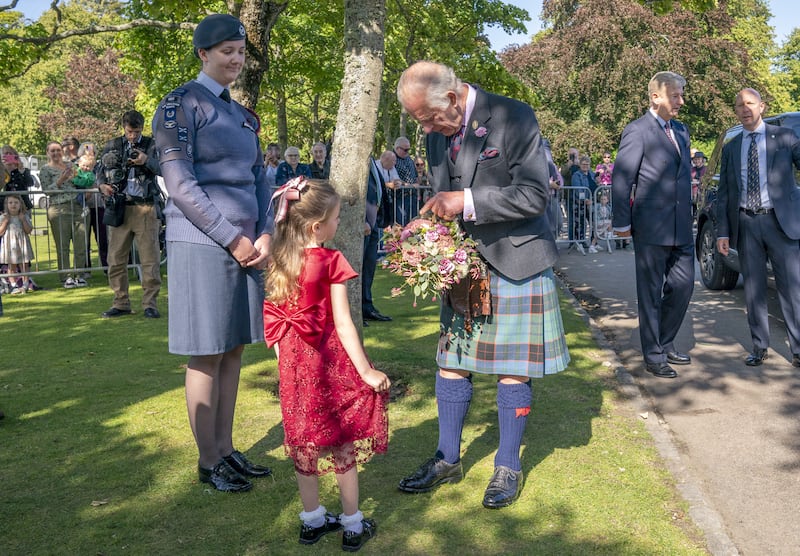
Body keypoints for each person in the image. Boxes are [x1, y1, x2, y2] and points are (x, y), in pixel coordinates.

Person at [395, 60, 570, 509]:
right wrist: (429, 235)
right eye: (420, 121)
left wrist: (466, 200)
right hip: (464, 267)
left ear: (452, 98)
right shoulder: (436, 134)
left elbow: (534, 194)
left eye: (430, 117)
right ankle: (446, 459)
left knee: (514, 367)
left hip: (516, 259)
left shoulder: (514, 116)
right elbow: (442, 196)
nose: (428, 128)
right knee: (450, 363)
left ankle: (507, 464)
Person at [153, 13, 274, 492]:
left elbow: (260, 180)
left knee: (233, 350)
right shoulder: (180, 104)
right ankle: (208, 462)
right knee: (206, 353)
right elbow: (180, 184)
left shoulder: (243, 114)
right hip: (204, 242)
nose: (237, 60)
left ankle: (226, 449)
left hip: (248, 246)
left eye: (241, 52)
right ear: (203, 53)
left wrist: (264, 235)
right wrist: (233, 236)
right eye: (227, 52)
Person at [263, 177, 389, 550]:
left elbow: (274, 325)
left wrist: (287, 364)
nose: (338, 224)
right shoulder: (331, 260)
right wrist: (365, 370)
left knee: (305, 444)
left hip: (296, 370)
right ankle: (352, 524)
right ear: (317, 225)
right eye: (335, 218)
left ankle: (313, 520)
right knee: (341, 443)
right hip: (330, 362)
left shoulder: (279, 261)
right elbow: (344, 322)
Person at [612, 71, 694, 379]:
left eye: (681, 95)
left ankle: (665, 339)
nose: (681, 102)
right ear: (656, 96)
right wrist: (621, 222)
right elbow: (622, 180)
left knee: (683, 286)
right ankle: (654, 354)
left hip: (681, 227)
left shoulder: (682, 131)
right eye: (675, 96)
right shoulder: (637, 131)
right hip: (650, 227)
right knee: (650, 293)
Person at [715, 88, 800, 368]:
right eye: (739, 104)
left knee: (791, 288)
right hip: (747, 223)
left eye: (750, 103)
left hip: (780, 223)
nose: (744, 108)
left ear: (761, 106)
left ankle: (797, 349)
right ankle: (759, 347)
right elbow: (724, 193)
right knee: (754, 289)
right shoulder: (731, 146)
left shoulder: (785, 138)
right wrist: (723, 232)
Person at [97, 110, 163, 319]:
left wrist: (146, 161)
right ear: (123, 127)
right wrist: (102, 186)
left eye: (136, 132)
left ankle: (150, 304)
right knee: (115, 258)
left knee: (149, 259)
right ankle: (120, 301)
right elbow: (98, 171)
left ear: (142, 128)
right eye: (129, 131)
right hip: (120, 206)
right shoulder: (113, 145)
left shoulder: (152, 145)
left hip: (145, 206)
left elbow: (165, 169)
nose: (132, 136)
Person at [39, 141, 89, 288]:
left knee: (81, 243)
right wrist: (60, 180)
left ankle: (79, 274)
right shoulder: (45, 170)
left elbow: (80, 181)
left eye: (58, 150)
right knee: (63, 245)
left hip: (78, 207)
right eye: (52, 151)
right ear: (48, 153)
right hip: (59, 208)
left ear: (62, 151)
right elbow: (47, 191)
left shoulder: (70, 165)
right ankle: (66, 276)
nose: (56, 153)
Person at [362, 157, 392, 325]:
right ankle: (356, 310)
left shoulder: (371, 158)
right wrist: (361, 219)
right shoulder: (355, 157)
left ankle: (367, 307)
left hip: (373, 222)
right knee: (359, 267)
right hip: (363, 222)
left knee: (369, 267)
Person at [78, 142, 108, 269]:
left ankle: (106, 266)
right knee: (83, 239)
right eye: (87, 152)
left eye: (93, 152)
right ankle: (85, 268)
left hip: (99, 206)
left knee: (102, 238)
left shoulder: (101, 167)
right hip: (84, 207)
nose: (90, 154)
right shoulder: (78, 168)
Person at [0, 195, 34, 294]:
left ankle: (25, 283)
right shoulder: (3, 217)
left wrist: (23, 220)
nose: (13, 205)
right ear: (6, 205)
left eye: (16, 202)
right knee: (12, 265)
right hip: (9, 244)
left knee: (24, 264)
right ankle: (13, 284)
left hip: (22, 243)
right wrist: (5, 222)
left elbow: (28, 230)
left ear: (20, 204)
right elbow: (0, 232)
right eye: (10, 203)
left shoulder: (24, 216)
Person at [570, 155, 597, 253]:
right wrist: (584, 199)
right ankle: (579, 243)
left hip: (591, 202)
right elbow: (578, 189)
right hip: (580, 203)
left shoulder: (591, 173)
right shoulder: (576, 175)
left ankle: (594, 243)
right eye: (583, 164)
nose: (585, 166)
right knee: (580, 223)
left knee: (594, 222)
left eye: (587, 164)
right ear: (580, 165)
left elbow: (595, 185)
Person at [393, 136, 419, 225]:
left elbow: (415, 175)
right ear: (397, 148)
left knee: (414, 224)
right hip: (399, 198)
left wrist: (416, 184)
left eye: (408, 149)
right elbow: (392, 178)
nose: (407, 152)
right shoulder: (391, 159)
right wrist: (407, 185)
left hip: (413, 197)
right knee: (401, 225)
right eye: (405, 150)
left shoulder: (409, 159)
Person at [2, 146, 34, 211]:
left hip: (24, 205)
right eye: (5, 154)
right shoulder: (2, 171)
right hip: (7, 206)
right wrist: (5, 169)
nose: (8, 156)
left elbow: (30, 183)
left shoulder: (24, 170)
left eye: (10, 154)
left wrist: (21, 170)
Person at [690, 150, 707, 218]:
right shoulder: (691, 169)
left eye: (699, 159)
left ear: (703, 160)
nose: (697, 161)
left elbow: (706, 180)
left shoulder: (706, 169)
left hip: (702, 194)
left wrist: (698, 180)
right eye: (695, 159)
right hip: (692, 194)